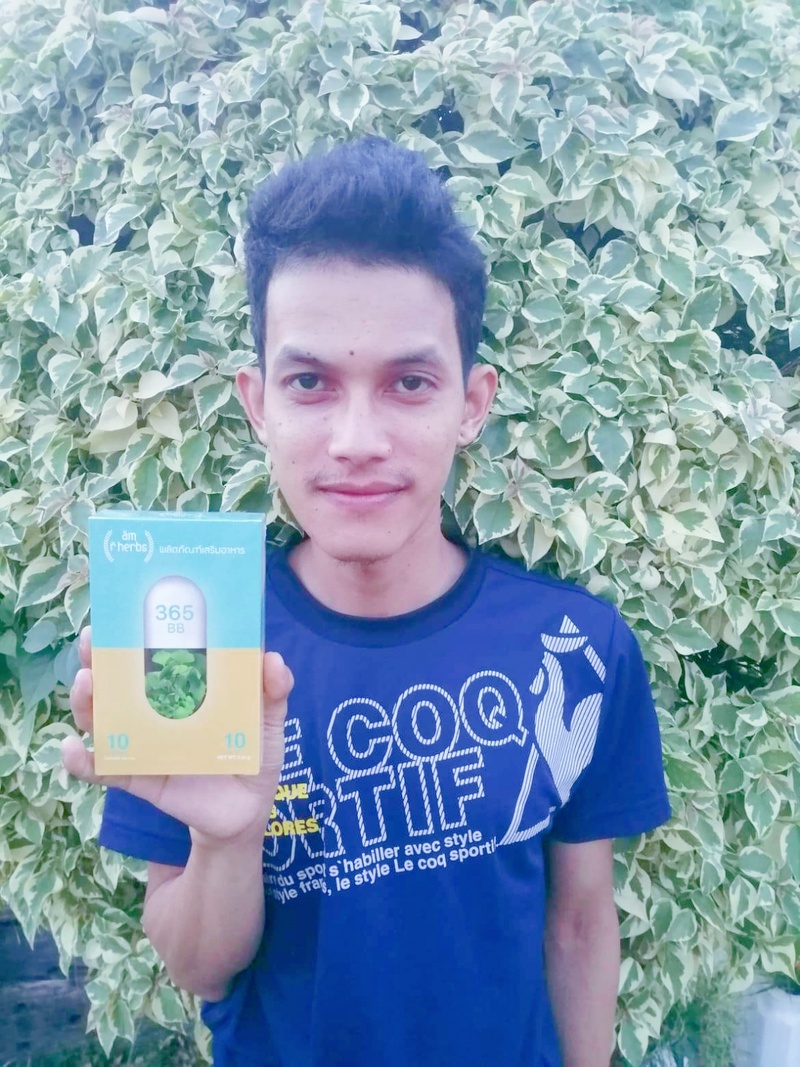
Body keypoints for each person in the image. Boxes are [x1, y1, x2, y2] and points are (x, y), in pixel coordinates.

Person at [63, 136, 671, 1067]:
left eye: (409, 383)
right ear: (258, 403)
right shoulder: (202, 646)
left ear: (471, 403)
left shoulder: (577, 645)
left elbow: (582, 924)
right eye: (310, 383)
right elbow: (198, 967)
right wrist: (230, 839)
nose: (356, 439)